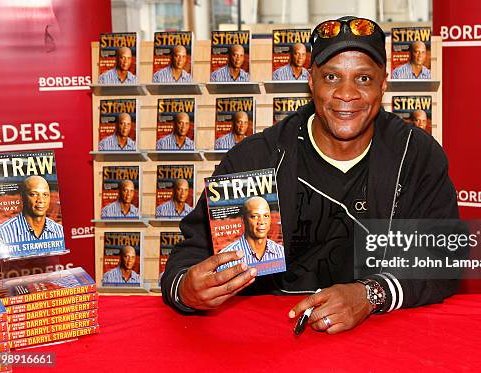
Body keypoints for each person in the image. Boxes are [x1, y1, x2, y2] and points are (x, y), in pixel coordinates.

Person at [162, 16, 459, 334]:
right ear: (311, 80)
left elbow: (443, 258)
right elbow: (190, 256)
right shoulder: (259, 157)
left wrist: (370, 294)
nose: (347, 93)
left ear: (383, 84)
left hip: (384, 336)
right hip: (272, 339)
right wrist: (186, 290)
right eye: (332, 77)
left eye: (363, 79)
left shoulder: (415, 155)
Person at [216, 196, 284, 272]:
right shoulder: (225, 259)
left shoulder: (281, 252)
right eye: (254, 216)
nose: (262, 222)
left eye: (266, 216)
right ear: (243, 219)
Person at [0, 176, 64, 245]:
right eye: (33, 194)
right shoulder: (0, 235)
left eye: (45, 195)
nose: (41, 200)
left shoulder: (60, 231)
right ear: (22, 197)